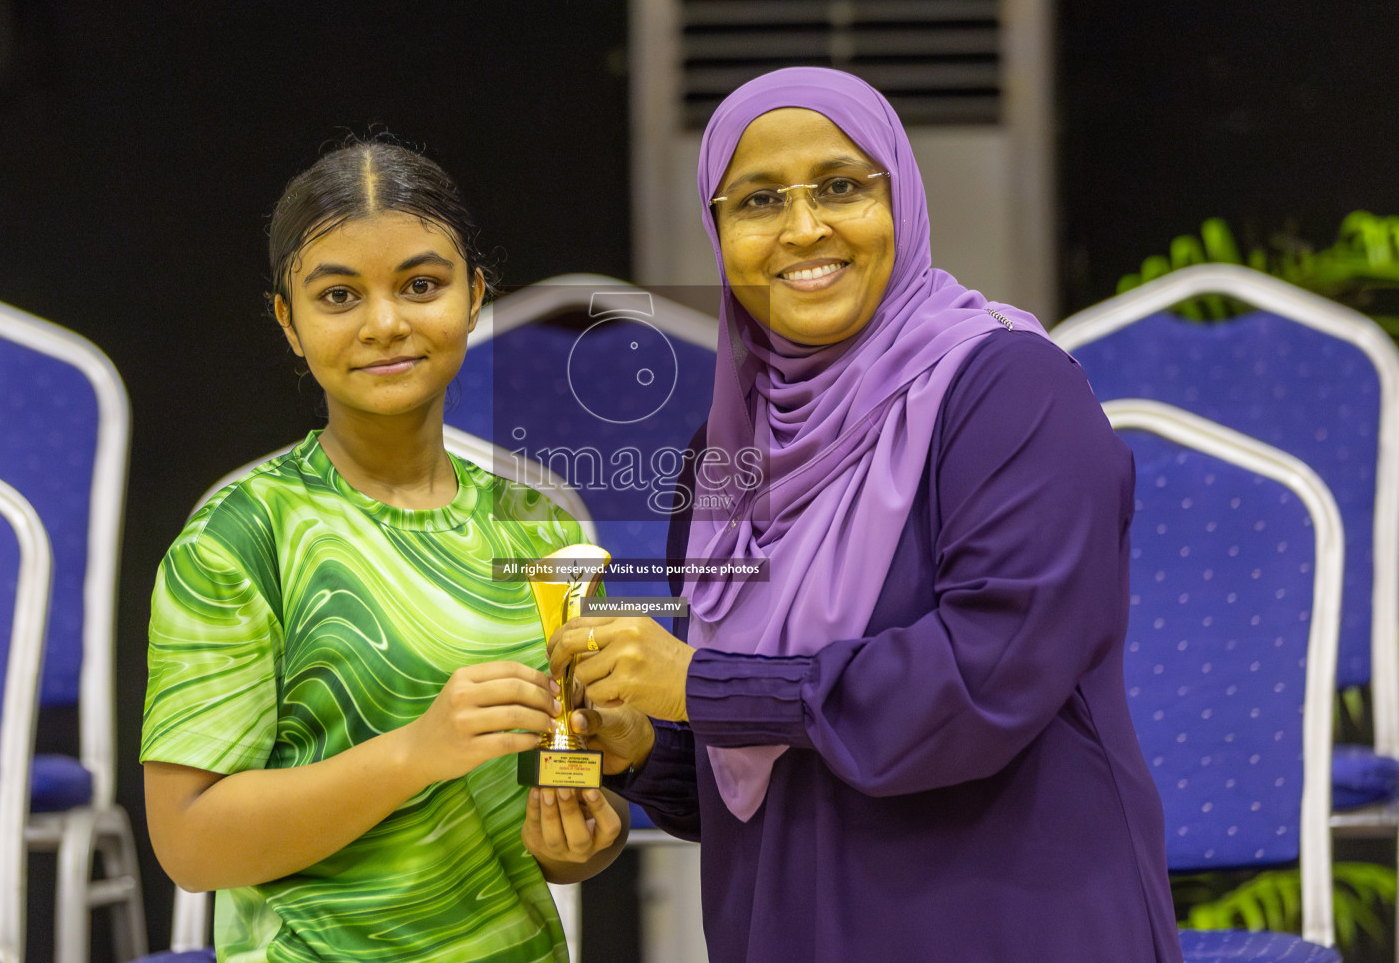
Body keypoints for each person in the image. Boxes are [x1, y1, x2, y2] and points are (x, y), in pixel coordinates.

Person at [548, 68, 1182, 961]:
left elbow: (982, 682)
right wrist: (642, 743)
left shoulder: (1009, 392)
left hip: (1010, 921)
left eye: (841, 186)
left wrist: (698, 684)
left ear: (902, 197)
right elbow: (762, 770)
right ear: (718, 232)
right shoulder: (727, 451)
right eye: (758, 199)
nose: (804, 229)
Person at [141, 138, 626, 963]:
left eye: (421, 284)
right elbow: (189, 844)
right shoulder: (241, 538)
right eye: (338, 295)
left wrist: (580, 839)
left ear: (475, 296)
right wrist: (414, 753)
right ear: (288, 323)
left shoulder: (541, 525)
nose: (386, 322)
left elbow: (569, 815)